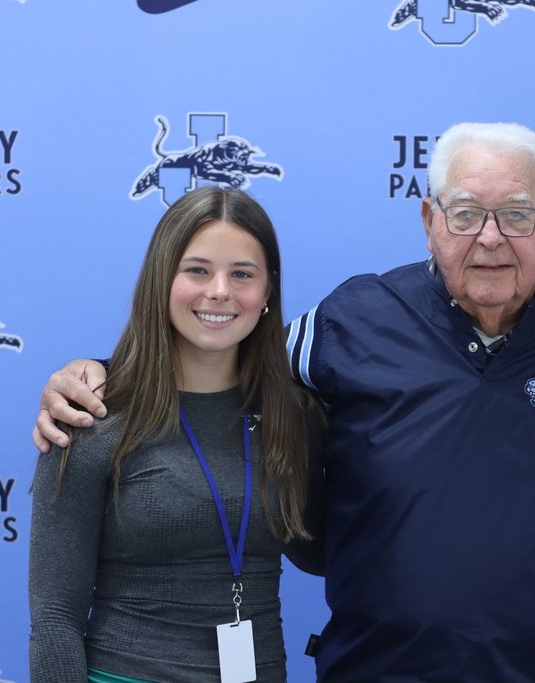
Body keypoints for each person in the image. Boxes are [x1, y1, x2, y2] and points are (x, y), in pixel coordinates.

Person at [33, 123, 535, 683]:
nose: (491, 238)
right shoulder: (348, 321)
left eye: (518, 213)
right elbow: (218, 352)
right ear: (429, 222)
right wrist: (101, 376)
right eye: (465, 213)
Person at [28, 187, 322, 683]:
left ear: (268, 292)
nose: (220, 291)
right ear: (162, 280)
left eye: (243, 274)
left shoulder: (296, 415)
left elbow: (321, 551)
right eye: (198, 270)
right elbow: (55, 618)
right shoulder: (90, 413)